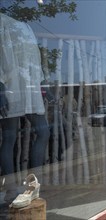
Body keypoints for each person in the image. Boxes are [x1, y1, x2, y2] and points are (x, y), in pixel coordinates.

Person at [0, 13, 50, 204]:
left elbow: (34, 60)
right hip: (11, 86)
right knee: (9, 136)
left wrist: (43, 84)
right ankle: (11, 189)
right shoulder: (2, 21)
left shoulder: (27, 28)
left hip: (30, 87)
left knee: (43, 131)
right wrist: (1, 87)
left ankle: (33, 184)